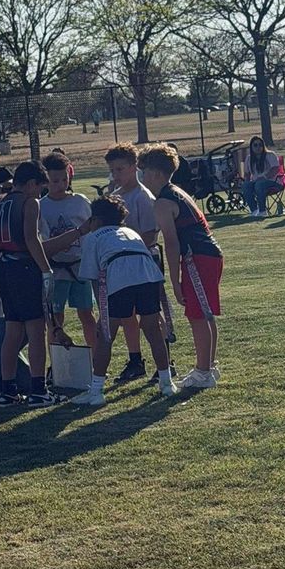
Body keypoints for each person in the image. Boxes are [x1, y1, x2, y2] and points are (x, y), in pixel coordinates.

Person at [0, 196, 90, 401]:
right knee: (24, 329)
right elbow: (40, 250)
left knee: (26, 382)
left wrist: (55, 328)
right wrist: (80, 231)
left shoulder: (4, 251)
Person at [75, 196, 178, 406]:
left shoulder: (93, 238)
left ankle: (96, 391)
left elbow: (92, 277)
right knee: (152, 330)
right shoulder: (131, 233)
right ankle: (167, 383)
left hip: (119, 277)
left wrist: (102, 315)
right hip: (148, 275)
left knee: (105, 335)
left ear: (95, 220)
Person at [139, 143, 223, 390]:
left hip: (197, 259)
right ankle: (207, 365)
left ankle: (203, 372)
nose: (142, 177)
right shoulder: (177, 192)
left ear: (155, 174)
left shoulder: (163, 202)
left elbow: (172, 243)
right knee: (204, 314)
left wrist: (175, 282)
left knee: (197, 316)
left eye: (144, 172)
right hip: (208, 256)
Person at [0, 160, 60, 407]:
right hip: (25, 269)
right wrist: (46, 269)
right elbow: (31, 238)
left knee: (12, 331)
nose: (40, 194)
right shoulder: (30, 202)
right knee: (36, 331)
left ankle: (8, 391)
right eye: (40, 188)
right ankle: (38, 390)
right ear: (30, 185)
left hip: (5, 269)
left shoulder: (0, 203)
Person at [105, 143, 168, 383]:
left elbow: (151, 234)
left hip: (144, 261)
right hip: (122, 265)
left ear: (134, 168)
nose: (116, 175)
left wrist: (126, 242)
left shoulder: (143, 197)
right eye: (113, 170)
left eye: (120, 169)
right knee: (125, 315)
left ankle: (165, 361)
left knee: (152, 316)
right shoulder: (116, 196)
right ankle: (135, 360)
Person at [39, 152, 95, 347]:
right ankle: (56, 361)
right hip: (56, 270)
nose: (61, 184)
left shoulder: (80, 201)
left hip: (80, 268)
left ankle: (96, 358)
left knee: (87, 313)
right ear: (45, 181)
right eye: (55, 181)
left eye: (65, 179)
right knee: (55, 318)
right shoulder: (41, 207)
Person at [242, 135, 281, 218]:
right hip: (256, 183)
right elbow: (247, 174)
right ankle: (254, 210)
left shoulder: (270, 155)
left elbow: (276, 169)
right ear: (251, 147)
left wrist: (265, 177)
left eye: (260, 145)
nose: (258, 147)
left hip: (273, 182)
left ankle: (262, 211)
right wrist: (246, 183)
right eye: (255, 145)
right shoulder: (249, 158)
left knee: (259, 184)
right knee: (245, 185)